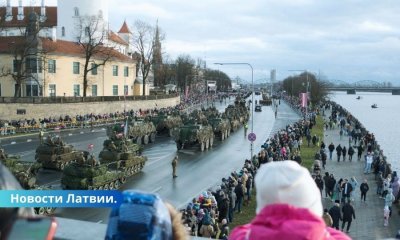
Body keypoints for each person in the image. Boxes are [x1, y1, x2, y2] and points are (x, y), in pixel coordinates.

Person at [229, 161, 349, 240]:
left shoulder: (245, 236)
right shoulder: (330, 236)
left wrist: (267, 221)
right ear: (313, 202)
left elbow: (241, 231)